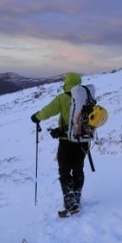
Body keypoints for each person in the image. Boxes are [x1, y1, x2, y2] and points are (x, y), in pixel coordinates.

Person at [31, 72, 89, 217]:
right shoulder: (87, 97)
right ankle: (76, 199)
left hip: (67, 141)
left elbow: (47, 112)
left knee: (64, 172)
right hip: (84, 140)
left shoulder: (63, 98)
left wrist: (36, 117)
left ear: (66, 83)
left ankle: (70, 205)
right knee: (78, 170)